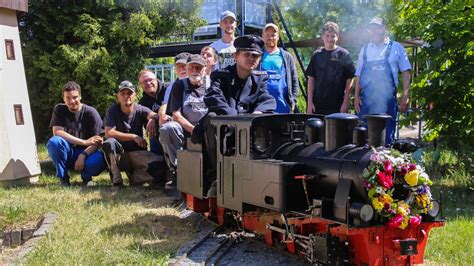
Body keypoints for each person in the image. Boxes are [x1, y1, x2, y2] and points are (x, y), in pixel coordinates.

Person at [198, 35, 276, 197]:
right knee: (213, 118)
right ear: (236, 56)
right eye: (246, 54)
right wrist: (234, 117)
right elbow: (213, 97)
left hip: (248, 125)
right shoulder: (222, 75)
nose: (251, 58)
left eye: (255, 55)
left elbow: (267, 99)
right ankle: (216, 177)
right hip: (226, 123)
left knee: (269, 120)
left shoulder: (260, 78)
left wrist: (259, 112)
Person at [354, 16, 411, 145]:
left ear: (384, 29)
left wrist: (406, 96)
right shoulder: (365, 49)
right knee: (362, 136)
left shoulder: (397, 48)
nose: (374, 31)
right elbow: (358, 75)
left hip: (388, 100)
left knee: (386, 138)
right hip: (366, 100)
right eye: (371, 28)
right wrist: (356, 96)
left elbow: (406, 72)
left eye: (377, 28)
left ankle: (385, 163)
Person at [102, 80, 166, 188]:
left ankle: (135, 177)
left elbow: (156, 115)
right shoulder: (112, 110)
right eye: (123, 93)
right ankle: (117, 181)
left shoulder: (140, 109)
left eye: (129, 93)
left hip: (136, 153)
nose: (126, 96)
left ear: (135, 95)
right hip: (119, 155)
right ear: (118, 95)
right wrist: (134, 137)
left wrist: (153, 120)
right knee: (109, 143)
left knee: (161, 166)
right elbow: (109, 132)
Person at [159, 54, 209, 185]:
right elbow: (176, 115)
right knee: (167, 129)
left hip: (209, 130)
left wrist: (204, 131)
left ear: (204, 69)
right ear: (186, 69)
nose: (194, 71)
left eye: (198, 68)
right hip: (186, 130)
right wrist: (195, 130)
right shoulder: (179, 85)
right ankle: (176, 169)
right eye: (191, 67)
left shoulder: (212, 85)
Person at [47, 81, 106, 186]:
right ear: (63, 98)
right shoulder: (59, 109)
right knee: (54, 142)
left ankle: (87, 178)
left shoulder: (90, 112)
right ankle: (63, 179)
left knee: (97, 160)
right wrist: (84, 142)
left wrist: (83, 155)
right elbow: (57, 132)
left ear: (80, 97)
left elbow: (99, 140)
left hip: (88, 153)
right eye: (68, 98)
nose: (72, 101)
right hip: (68, 151)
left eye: (75, 97)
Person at [306, 21, 355, 115]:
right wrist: (309, 103)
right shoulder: (317, 55)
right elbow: (311, 80)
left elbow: (350, 78)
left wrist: (346, 101)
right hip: (318, 105)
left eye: (333, 36)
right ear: (323, 36)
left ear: (337, 36)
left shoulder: (343, 54)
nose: (330, 39)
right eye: (327, 35)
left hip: (338, 105)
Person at [260, 23, 299, 113]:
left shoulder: (287, 56)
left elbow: (294, 80)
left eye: (273, 35)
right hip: (262, 107)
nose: (270, 37)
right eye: (267, 35)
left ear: (278, 37)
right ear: (263, 36)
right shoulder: (257, 56)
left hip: (283, 107)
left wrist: (293, 100)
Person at [138, 70, 167, 155]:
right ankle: (158, 163)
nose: (148, 83)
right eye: (144, 82)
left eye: (150, 80)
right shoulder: (142, 102)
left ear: (156, 79)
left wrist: (154, 118)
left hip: (173, 127)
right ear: (141, 85)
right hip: (157, 134)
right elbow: (147, 125)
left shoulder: (168, 90)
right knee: (152, 133)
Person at [158, 52, 191, 126]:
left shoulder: (200, 82)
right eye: (178, 66)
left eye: (184, 66)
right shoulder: (172, 86)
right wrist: (162, 114)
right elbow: (165, 104)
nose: (181, 69)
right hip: (179, 117)